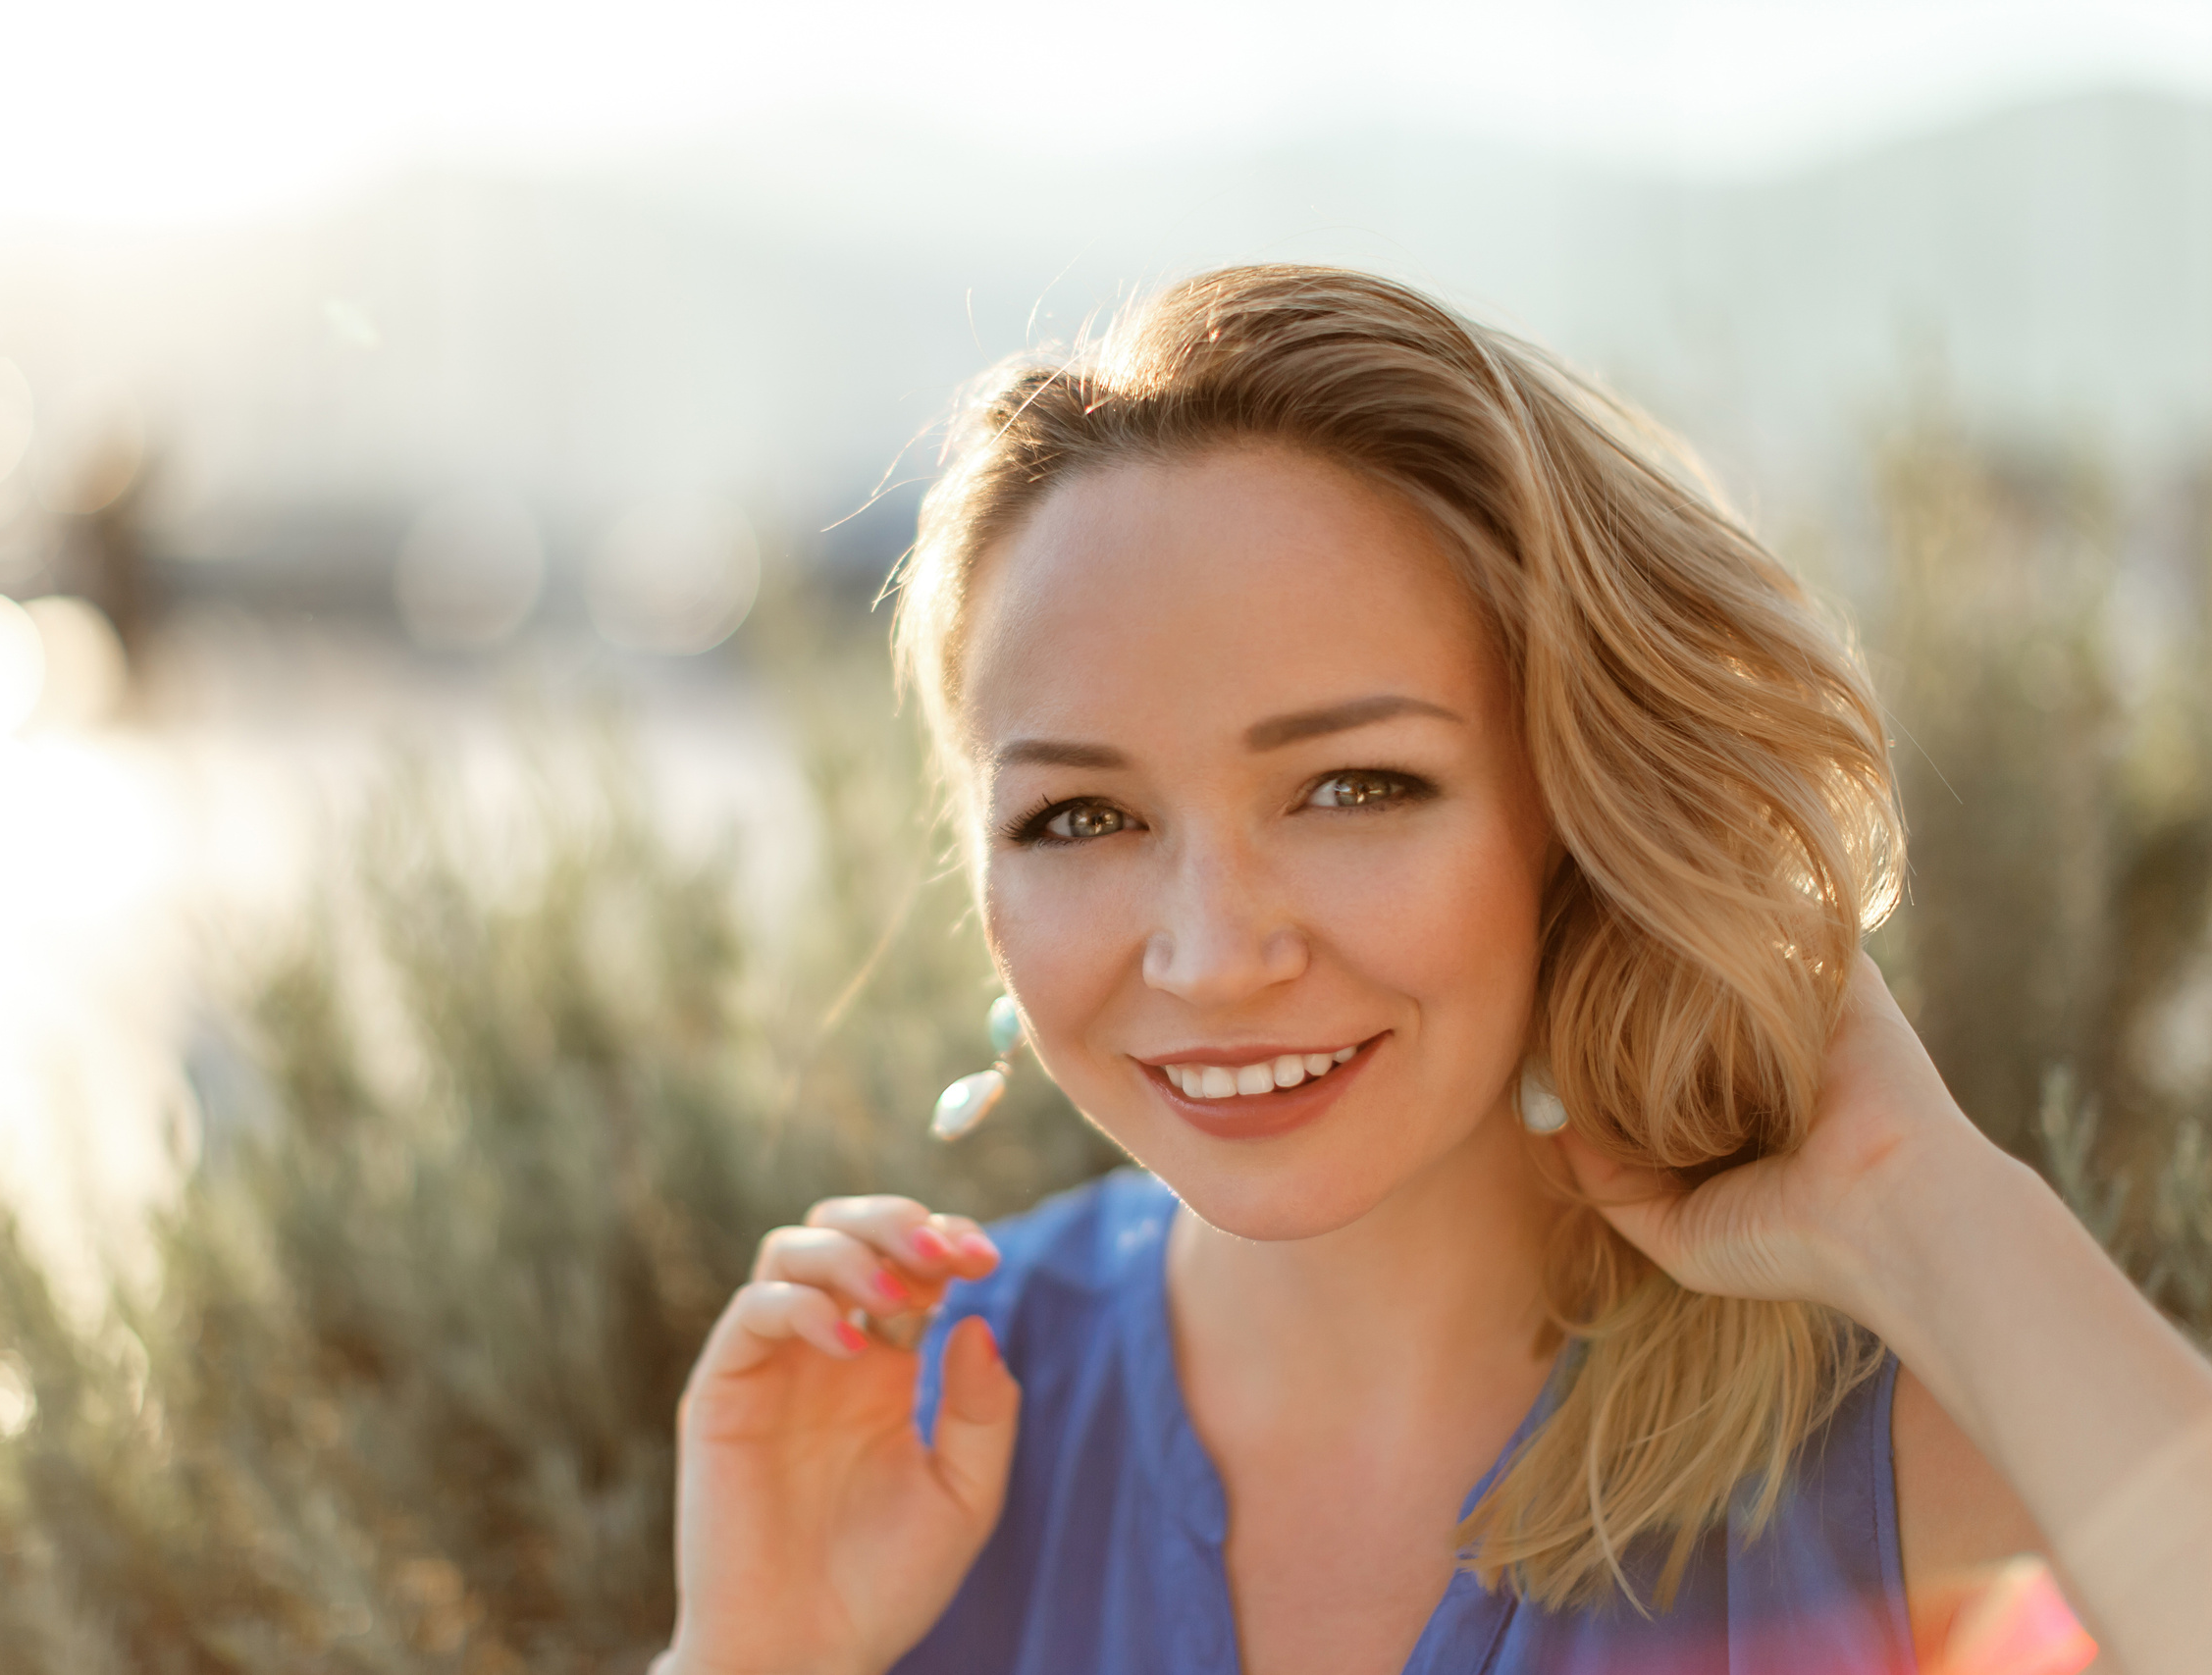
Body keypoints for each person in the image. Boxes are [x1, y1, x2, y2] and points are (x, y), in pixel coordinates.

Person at [653, 267, 2212, 1675]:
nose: (1211, 956)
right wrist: (751, 1660)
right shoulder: (913, 1427)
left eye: (1353, 787)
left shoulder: (1914, 1446)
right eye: (1080, 816)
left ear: (1581, 810)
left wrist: (1921, 1202)